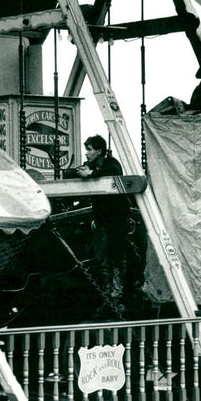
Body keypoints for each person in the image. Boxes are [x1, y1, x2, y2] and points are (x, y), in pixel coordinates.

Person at [75, 135, 130, 316]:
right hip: (102, 221)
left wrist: (90, 174)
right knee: (102, 259)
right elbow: (72, 173)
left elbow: (113, 170)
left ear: (99, 151)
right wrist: (83, 171)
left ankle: (117, 296)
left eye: (90, 149)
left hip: (116, 220)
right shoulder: (94, 166)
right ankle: (109, 295)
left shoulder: (110, 163)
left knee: (116, 257)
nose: (87, 153)